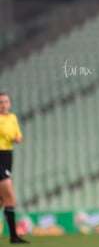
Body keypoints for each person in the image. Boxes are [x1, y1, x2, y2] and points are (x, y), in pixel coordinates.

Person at [0, 92, 29, 244]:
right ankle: (13, 236)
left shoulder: (12, 118)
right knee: (10, 196)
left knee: (1, 200)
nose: (4, 105)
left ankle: (13, 236)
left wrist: (18, 139)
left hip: (8, 156)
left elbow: (18, 136)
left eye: (6, 101)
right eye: (0, 102)